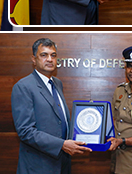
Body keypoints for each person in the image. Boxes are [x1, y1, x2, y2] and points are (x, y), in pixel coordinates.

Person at [12, 38, 90, 174]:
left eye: (53, 55)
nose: (49, 59)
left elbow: (60, 120)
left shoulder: (57, 83)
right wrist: (62, 145)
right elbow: (25, 131)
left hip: (62, 162)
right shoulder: (23, 86)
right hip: (39, 165)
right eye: (44, 55)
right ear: (34, 59)